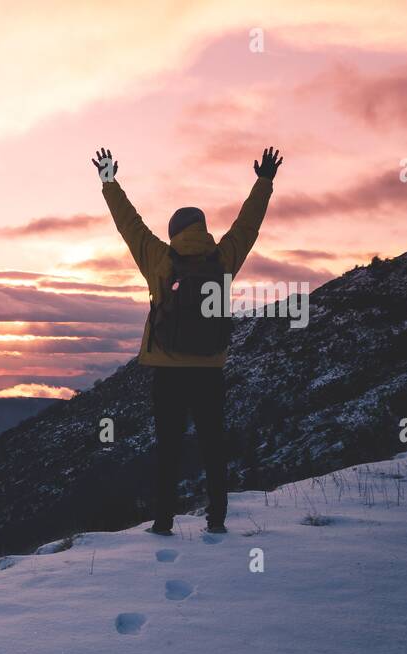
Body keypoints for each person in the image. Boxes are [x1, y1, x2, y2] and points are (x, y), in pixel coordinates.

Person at [92, 145, 281, 535]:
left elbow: (129, 224)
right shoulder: (224, 258)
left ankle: (163, 522)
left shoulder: (159, 259)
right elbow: (248, 225)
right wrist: (264, 181)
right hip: (210, 369)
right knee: (213, 446)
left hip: (167, 370)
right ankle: (216, 520)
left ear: (174, 233)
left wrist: (109, 181)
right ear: (203, 228)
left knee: (169, 449)